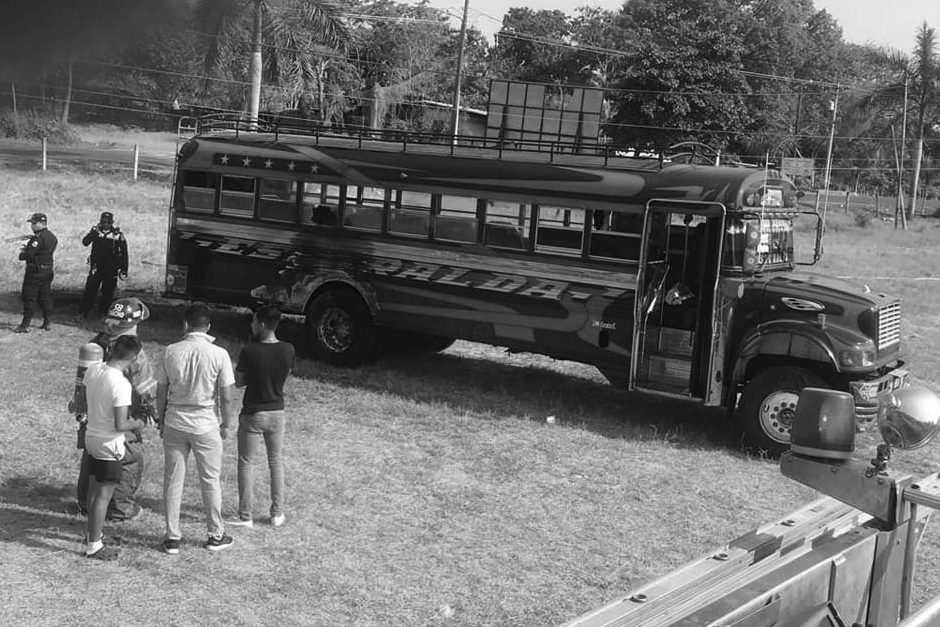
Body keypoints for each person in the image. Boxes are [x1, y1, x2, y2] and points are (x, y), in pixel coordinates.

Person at [156, 304, 237, 554]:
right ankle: (215, 534)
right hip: (205, 423)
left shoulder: (171, 351)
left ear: (185, 325)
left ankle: (172, 537)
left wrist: (161, 418)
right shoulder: (219, 354)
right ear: (208, 326)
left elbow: (161, 390)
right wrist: (227, 422)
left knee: (173, 480)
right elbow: (226, 395)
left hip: (175, 421)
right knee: (210, 480)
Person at [76, 297, 157, 521]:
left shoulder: (95, 344)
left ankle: (85, 502)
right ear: (133, 324)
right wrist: (155, 415)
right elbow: (146, 390)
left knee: (91, 457)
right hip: (122, 417)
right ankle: (120, 509)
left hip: (93, 415)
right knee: (130, 460)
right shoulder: (134, 353)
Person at [227, 306, 296, 529]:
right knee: (276, 462)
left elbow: (238, 381)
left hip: (253, 413)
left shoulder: (250, 351)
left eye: (254, 321)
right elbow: (285, 377)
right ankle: (277, 513)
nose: (252, 325)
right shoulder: (288, 349)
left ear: (263, 325)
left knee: (247, 462)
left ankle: (245, 515)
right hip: (277, 412)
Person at [82, 335, 147, 560]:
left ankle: (94, 534)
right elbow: (121, 424)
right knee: (103, 495)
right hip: (110, 443)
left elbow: (82, 400)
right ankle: (94, 546)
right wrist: (139, 423)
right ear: (134, 357)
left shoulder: (94, 370)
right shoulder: (121, 383)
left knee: (93, 490)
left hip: (92, 436)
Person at [79, 212, 128, 320]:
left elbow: (124, 253)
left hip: (111, 268)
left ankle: (103, 313)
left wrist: (124, 269)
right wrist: (93, 232)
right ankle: (83, 312)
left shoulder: (117, 235)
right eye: (103, 222)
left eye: (108, 222)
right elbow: (85, 242)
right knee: (90, 289)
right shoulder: (96, 232)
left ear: (112, 223)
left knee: (108, 292)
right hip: (97, 266)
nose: (106, 225)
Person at [14, 213, 58, 333]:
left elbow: (29, 255)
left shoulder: (38, 238)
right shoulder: (52, 237)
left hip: (35, 271)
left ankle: (25, 325)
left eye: (34, 223)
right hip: (48, 270)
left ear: (41, 223)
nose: (32, 226)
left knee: (29, 297)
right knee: (45, 296)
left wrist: (23, 253)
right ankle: (47, 322)